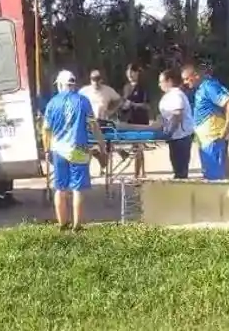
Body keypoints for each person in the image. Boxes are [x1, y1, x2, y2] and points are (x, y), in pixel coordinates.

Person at [42, 70, 105, 231]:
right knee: (77, 188)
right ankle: (77, 226)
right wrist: (101, 144)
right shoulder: (83, 101)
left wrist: (46, 149)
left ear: (61, 84)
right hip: (79, 148)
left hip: (58, 149)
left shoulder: (52, 103)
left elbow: (46, 130)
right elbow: (93, 125)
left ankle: (62, 224)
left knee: (60, 188)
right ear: (73, 84)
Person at [181, 64, 229, 180]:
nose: (185, 82)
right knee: (211, 178)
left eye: (187, 78)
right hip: (207, 141)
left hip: (214, 139)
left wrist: (226, 128)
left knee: (216, 180)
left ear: (196, 76)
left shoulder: (208, 86)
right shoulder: (200, 89)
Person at [158, 69, 195, 179]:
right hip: (176, 136)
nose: (159, 84)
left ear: (169, 81)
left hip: (181, 136)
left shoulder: (175, 94)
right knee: (177, 168)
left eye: (161, 81)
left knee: (180, 171)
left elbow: (177, 115)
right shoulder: (171, 95)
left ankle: (181, 191)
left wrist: (170, 132)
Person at [118, 63, 152, 178]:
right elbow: (123, 102)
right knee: (134, 146)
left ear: (137, 73)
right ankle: (141, 172)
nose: (130, 75)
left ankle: (138, 173)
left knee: (138, 146)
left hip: (140, 120)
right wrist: (123, 107)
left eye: (132, 72)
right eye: (128, 73)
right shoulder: (126, 87)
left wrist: (133, 104)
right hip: (129, 120)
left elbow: (147, 106)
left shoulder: (143, 87)